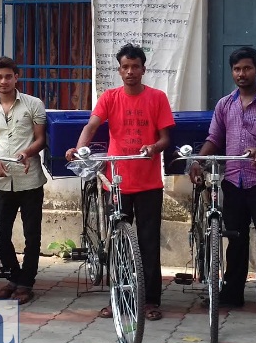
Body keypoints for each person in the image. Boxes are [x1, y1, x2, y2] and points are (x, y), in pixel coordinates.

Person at [65, 43, 174, 321]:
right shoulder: (110, 97)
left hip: (149, 184)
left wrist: (154, 148)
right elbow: (91, 125)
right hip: (116, 184)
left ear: (143, 69)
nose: (130, 71)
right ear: (119, 70)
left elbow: (165, 138)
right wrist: (80, 149)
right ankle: (119, 298)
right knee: (118, 243)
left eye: (135, 66)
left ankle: (150, 301)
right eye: (125, 67)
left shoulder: (157, 97)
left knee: (148, 243)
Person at [189, 46, 256, 324]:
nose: (241, 74)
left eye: (246, 68)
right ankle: (232, 293)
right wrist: (199, 160)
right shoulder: (225, 104)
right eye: (236, 69)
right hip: (233, 182)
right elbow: (214, 138)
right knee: (235, 241)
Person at [0, 57, 47, 305]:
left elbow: (41, 139)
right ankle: (15, 278)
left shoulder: (33, 104)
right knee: (0, 234)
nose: (4, 81)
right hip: (2, 181)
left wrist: (28, 152)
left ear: (16, 77)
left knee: (32, 235)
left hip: (30, 179)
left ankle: (25, 285)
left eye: (8, 76)